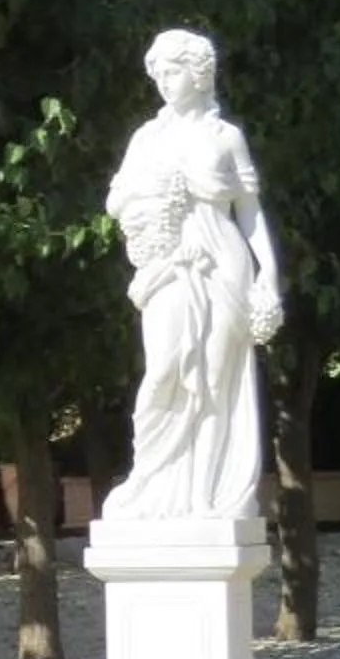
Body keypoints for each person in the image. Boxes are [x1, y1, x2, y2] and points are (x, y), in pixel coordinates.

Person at [101, 29, 283, 522]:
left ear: (200, 73)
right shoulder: (147, 138)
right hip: (166, 266)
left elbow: (249, 213)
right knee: (164, 371)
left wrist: (268, 276)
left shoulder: (226, 138)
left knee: (214, 384)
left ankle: (206, 495)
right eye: (157, 72)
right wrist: (151, 189)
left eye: (173, 69)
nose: (163, 80)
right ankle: (150, 479)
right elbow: (114, 202)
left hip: (223, 263)